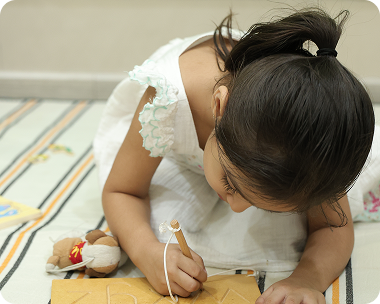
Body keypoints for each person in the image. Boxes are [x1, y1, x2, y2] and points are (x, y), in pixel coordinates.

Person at [93, 7, 375, 304]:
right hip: (173, 146)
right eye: (230, 182)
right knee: (154, 225)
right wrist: (147, 252)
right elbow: (122, 190)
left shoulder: (311, 148)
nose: (238, 208)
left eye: (260, 204)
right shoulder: (167, 101)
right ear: (219, 107)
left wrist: (306, 279)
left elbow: (334, 224)